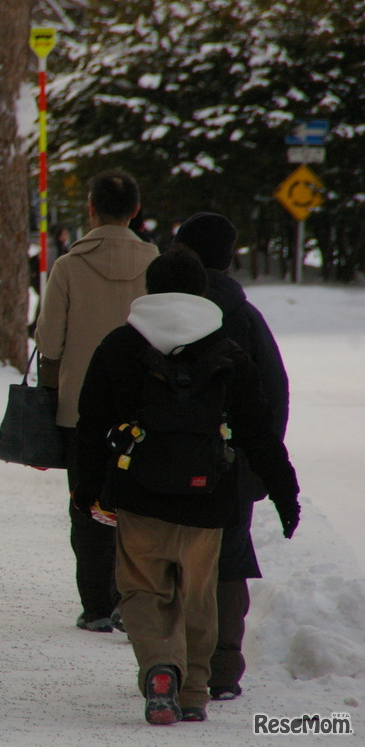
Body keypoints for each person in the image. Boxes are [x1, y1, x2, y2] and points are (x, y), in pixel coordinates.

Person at [72, 247, 300, 725]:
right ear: (202, 290)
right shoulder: (228, 351)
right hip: (209, 499)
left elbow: (91, 426)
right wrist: (284, 492)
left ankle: (159, 668)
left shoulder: (119, 346)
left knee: (141, 592)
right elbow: (258, 431)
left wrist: (84, 491)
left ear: (149, 288)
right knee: (198, 596)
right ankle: (195, 691)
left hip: (138, 496)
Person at [35, 169, 160, 633]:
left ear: (90, 208)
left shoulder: (69, 266)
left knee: (86, 502)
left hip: (79, 409)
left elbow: (49, 341)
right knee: (136, 504)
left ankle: (95, 605)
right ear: (135, 210)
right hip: (142, 406)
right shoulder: (156, 263)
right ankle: (132, 596)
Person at [171, 212, 289, 702]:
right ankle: (222, 668)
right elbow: (274, 393)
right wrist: (258, 464)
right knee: (228, 560)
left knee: (171, 559)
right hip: (232, 462)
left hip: (170, 462)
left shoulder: (167, 313)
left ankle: (174, 663)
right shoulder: (246, 317)